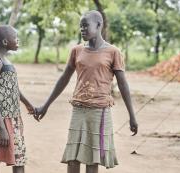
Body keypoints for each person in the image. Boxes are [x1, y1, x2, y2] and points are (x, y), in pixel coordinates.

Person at [35, 10, 138, 173]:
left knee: (92, 160)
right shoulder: (77, 50)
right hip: (79, 109)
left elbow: (123, 84)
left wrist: (132, 116)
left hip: (99, 111)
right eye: (80, 26)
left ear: (98, 25)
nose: (82, 29)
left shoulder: (113, 52)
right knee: (72, 158)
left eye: (85, 26)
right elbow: (64, 78)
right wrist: (46, 105)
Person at [0, 25, 36, 173]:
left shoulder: (5, 61)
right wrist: (2, 128)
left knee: (19, 157)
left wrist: (29, 105)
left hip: (12, 117)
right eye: (15, 37)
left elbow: (14, 89)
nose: (17, 39)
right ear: (5, 42)